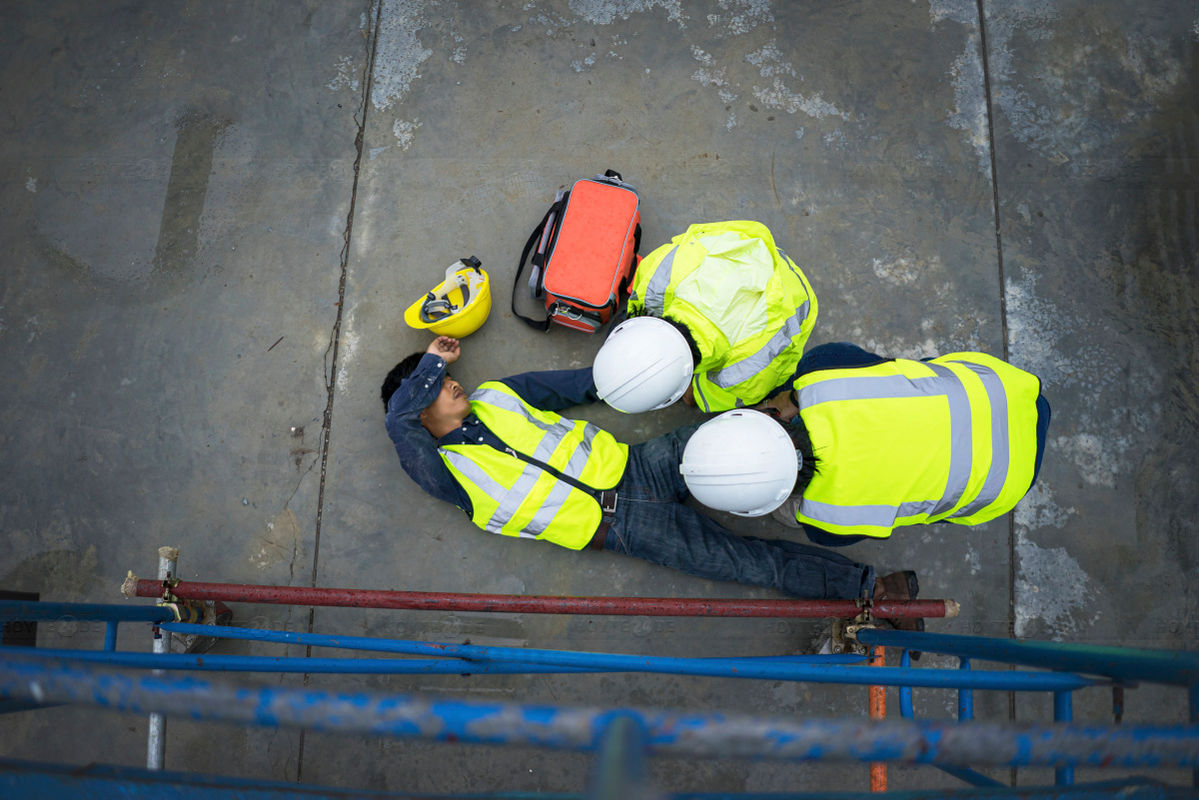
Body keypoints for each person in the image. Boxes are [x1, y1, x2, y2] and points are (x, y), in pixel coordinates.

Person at [381, 335, 918, 605]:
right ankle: (873, 591)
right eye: (435, 386)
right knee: (752, 564)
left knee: (755, 430)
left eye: (447, 376)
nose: (452, 382)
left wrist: (659, 370)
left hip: (643, 466)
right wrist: (430, 363)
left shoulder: (497, 395)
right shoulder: (444, 474)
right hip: (627, 531)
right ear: (417, 412)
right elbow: (399, 418)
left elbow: (589, 383)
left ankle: (862, 433)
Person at [752, 342, 1051, 545]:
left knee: (788, 516)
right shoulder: (821, 372)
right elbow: (841, 359)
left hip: (1005, 481)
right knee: (902, 375)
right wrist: (791, 398)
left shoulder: (825, 521)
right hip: (1003, 389)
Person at [594, 221, 818, 413]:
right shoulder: (655, 278)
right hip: (748, 247)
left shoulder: (745, 373)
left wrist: (692, 393)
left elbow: (696, 398)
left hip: (795, 294)